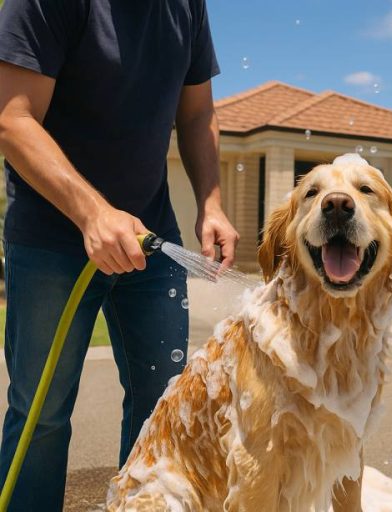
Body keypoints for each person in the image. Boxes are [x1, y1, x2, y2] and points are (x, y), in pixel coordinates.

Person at [0, 0, 238, 509]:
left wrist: (211, 203)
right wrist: (92, 213)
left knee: (164, 405)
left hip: (151, 236)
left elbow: (196, 113)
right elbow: (13, 119)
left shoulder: (186, 7)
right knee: (40, 414)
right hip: (51, 236)